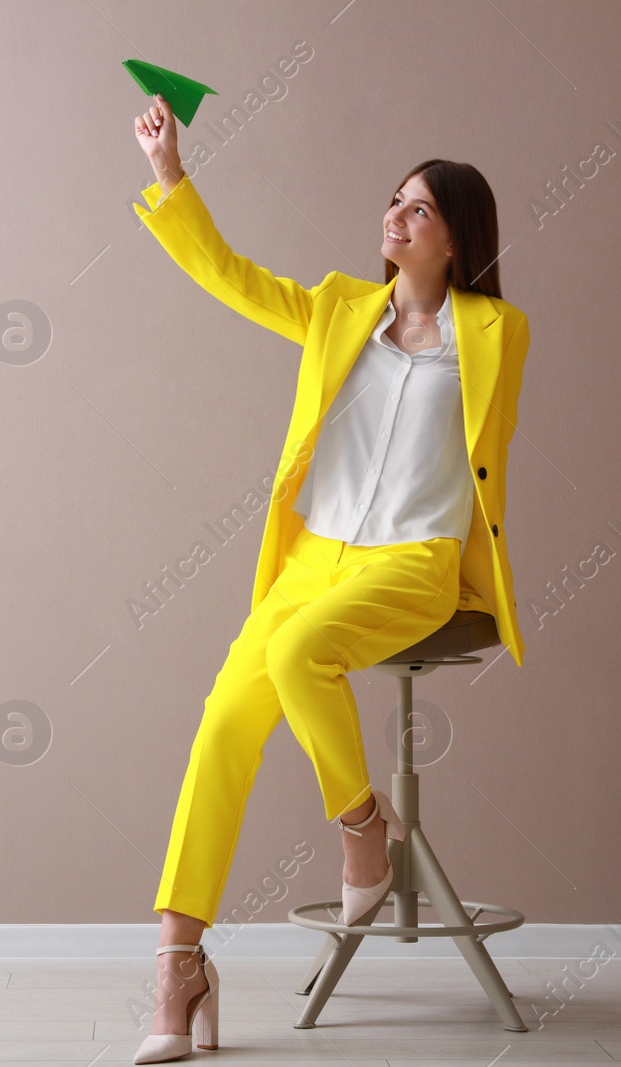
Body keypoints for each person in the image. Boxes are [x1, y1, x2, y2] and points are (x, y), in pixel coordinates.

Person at [129, 93, 531, 1064]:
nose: (393, 219)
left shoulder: (495, 333)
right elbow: (228, 276)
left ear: (454, 238)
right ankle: (178, 967)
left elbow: (474, 457)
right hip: (311, 557)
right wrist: (170, 175)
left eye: (419, 210)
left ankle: (361, 830)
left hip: (415, 563)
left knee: (304, 652)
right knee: (221, 726)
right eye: (392, 201)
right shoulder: (335, 312)